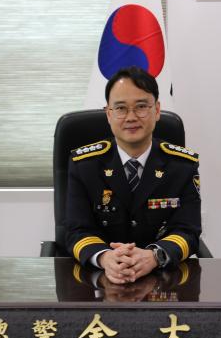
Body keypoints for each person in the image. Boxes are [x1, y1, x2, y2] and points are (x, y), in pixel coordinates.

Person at [65, 66, 201, 284]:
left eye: (141, 107)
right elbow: (77, 230)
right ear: (108, 114)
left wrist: (154, 256)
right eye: (120, 108)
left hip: (162, 280)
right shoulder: (84, 165)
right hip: (100, 280)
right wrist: (106, 257)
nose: (131, 117)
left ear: (157, 110)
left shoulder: (182, 166)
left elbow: (188, 230)